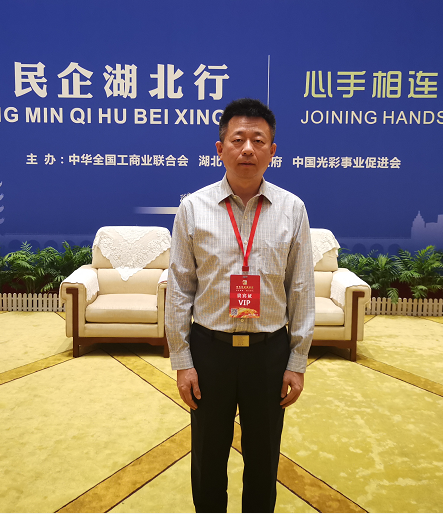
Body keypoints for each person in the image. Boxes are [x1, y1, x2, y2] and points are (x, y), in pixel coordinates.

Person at [166, 98, 315, 512]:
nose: (247, 148)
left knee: (264, 458)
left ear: (272, 150)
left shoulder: (292, 210)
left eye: (258, 140)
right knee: (208, 455)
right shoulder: (193, 208)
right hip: (209, 351)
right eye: (238, 139)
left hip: (269, 354)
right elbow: (179, 289)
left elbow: (301, 289)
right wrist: (183, 361)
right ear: (220, 149)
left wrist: (297, 362)